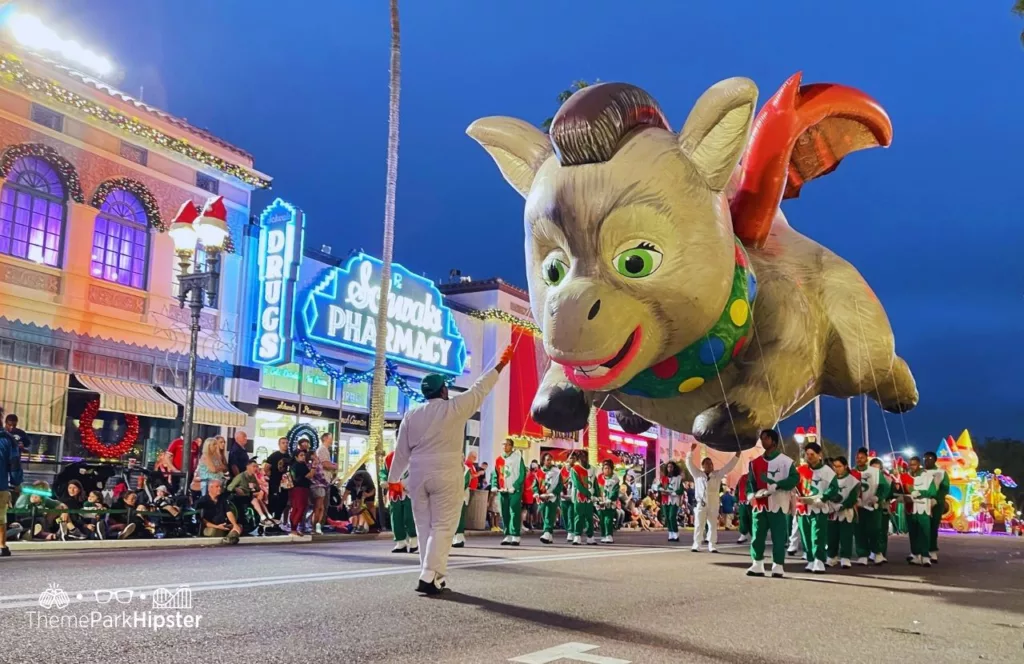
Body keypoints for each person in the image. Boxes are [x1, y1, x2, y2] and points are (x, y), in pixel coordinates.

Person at [388, 347, 511, 595]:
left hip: (418, 474)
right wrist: (500, 365)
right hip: (445, 473)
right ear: (443, 390)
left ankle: (435, 576)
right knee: (443, 527)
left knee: (424, 527)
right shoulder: (454, 407)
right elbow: (480, 388)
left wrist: (393, 480)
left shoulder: (411, 414)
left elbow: (401, 451)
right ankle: (427, 574)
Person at [745, 429, 799, 578]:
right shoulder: (754, 463)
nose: (763, 441)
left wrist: (779, 485)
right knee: (757, 535)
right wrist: (751, 494)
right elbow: (750, 482)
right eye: (761, 438)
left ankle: (778, 565)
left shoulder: (786, 462)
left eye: (766, 438)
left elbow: (794, 479)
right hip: (760, 503)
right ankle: (757, 563)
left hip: (778, 503)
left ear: (774, 441)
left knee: (779, 536)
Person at [686, 443, 739, 552]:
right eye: (707, 464)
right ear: (703, 465)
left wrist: (737, 456)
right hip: (701, 503)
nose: (709, 465)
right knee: (699, 524)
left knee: (712, 525)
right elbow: (689, 464)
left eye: (711, 464)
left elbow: (728, 467)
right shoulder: (698, 475)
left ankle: (712, 544)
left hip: (713, 504)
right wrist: (690, 452)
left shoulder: (717, 475)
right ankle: (697, 544)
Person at [797, 443, 838, 574]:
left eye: (812, 454)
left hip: (820, 507)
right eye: (807, 454)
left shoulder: (827, 471)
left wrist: (824, 498)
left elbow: (834, 488)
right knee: (806, 535)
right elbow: (796, 486)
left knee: (818, 535)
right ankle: (810, 559)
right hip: (803, 507)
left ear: (819, 455)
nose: (809, 457)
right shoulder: (801, 470)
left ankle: (819, 560)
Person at [825, 456, 860, 569]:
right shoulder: (829, 479)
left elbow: (853, 497)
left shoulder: (853, 481)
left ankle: (845, 558)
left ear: (845, 466)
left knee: (846, 536)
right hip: (831, 511)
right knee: (832, 536)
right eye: (834, 466)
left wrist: (843, 505)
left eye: (839, 466)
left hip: (846, 512)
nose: (836, 469)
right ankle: (831, 556)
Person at [852, 447, 882, 566]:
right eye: (857, 457)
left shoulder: (875, 472)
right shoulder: (851, 472)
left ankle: (877, 552)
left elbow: (884, 487)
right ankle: (862, 554)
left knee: (874, 530)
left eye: (862, 457)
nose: (859, 460)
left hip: (872, 506)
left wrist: (877, 497)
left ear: (866, 459)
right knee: (859, 531)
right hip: (857, 507)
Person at [384, 450, 417, 553]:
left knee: (410, 517)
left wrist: (405, 484)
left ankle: (414, 541)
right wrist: (384, 479)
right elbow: (384, 471)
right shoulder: (390, 456)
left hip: (410, 491)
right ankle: (400, 542)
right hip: (395, 492)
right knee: (396, 517)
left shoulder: (416, 454)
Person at [497, 438, 526, 546]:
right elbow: (496, 473)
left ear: (511, 446)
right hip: (503, 489)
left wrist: (516, 485)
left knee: (514, 511)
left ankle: (515, 535)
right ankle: (507, 534)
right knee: (504, 512)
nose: (504, 446)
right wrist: (495, 485)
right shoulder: (499, 459)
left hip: (515, 490)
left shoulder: (518, 458)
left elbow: (522, 474)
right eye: (503, 444)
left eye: (507, 444)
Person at [194, 479, 242, 544]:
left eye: (220, 487)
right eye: (217, 487)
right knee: (213, 531)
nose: (219, 488)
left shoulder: (222, 500)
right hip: (212, 527)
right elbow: (202, 520)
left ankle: (229, 538)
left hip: (224, 525)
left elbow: (229, 512)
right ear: (210, 488)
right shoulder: (202, 501)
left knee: (238, 526)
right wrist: (217, 526)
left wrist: (234, 524)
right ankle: (231, 538)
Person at [923, 451, 949, 564]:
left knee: (933, 527)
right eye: (925, 458)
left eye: (929, 458)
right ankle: (919, 551)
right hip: (922, 502)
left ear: (934, 460)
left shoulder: (941, 473)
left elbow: (945, 488)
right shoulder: (921, 472)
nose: (927, 460)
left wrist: (936, 499)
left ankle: (932, 550)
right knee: (922, 527)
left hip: (936, 504)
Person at [568, 451, 597, 546]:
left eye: (585, 457)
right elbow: (577, 484)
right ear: (578, 459)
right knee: (578, 516)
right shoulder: (574, 469)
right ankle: (577, 536)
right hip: (579, 496)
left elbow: (595, 482)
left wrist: (597, 494)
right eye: (581, 457)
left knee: (589, 517)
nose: (583, 459)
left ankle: (590, 537)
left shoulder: (592, 469)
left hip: (590, 497)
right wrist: (586, 492)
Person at [312, 432, 337, 535]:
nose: (332, 440)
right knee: (320, 506)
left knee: (322, 506)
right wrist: (335, 466)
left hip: (325, 481)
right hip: (322, 482)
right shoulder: (322, 449)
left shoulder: (325, 450)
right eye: (331, 438)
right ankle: (317, 525)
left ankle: (319, 525)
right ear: (326, 438)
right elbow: (325, 464)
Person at [536, 453, 563, 544]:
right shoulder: (539, 472)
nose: (549, 461)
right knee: (544, 514)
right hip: (543, 496)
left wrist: (553, 493)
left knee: (549, 515)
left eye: (550, 460)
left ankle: (546, 532)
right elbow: (535, 484)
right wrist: (537, 492)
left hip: (553, 497)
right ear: (543, 460)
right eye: (547, 459)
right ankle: (549, 535)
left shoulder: (556, 471)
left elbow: (560, 485)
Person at [870, 457, 892, 564]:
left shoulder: (887, 478)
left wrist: (880, 498)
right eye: (872, 468)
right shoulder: (867, 478)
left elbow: (888, 492)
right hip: (869, 507)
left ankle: (881, 553)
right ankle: (873, 551)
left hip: (883, 507)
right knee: (872, 530)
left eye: (877, 468)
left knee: (882, 531)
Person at [343, 463, 377, 533]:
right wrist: (341, 503)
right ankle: (360, 525)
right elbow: (346, 492)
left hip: (367, 491)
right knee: (357, 507)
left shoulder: (367, 480)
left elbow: (373, 490)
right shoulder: (352, 482)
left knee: (369, 506)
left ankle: (372, 524)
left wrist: (367, 495)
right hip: (358, 493)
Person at [656, 461, 684, 542]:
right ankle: (670, 534)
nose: (669, 468)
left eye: (671, 467)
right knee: (667, 517)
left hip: (674, 500)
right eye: (668, 467)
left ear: (674, 468)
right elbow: (659, 487)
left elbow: (681, 490)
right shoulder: (664, 478)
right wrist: (662, 490)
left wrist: (673, 493)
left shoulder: (678, 478)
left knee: (672, 516)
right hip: (665, 500)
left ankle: (675, 534)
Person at [289, 449, 314, 536]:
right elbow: (309, 475)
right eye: (301, 455)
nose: (303, 457)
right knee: (300, 508)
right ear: (296, 457)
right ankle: (294, 529)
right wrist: (314, 467)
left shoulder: (293, 465)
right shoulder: (300, 465)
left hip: (295, 489)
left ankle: (293, 529)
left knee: (295, 509)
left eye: (304, 455)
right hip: (301, 489)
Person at [266, 437, 292, 521]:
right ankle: (269, 521)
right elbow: (266, 467)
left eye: (286, 443)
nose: (285, 445)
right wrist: (270, 476)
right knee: (273, 502)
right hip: (275, 482)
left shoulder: (289, 456)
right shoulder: (274, 455)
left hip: (285, 483)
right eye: (283, 443)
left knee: (283, 502)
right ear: (279, 444)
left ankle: (277, 520)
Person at [596, 459, 620, 544]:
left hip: (610, 503)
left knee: (608, 519)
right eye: (605, 468)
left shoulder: (615, 479)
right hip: (600, 502)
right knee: (601, 519)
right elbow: (596, 489)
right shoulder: (599, 478)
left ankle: (609, 535)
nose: (607, 470)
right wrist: (596, 498)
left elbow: (615, 491)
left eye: (609, 468)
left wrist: (610, 498)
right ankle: (603, 535)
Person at [453, 452, 473, 548]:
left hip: (462, 497)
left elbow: (464, 484)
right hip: (451, 498)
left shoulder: (466, 470)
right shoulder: (452, 469)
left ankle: (459, 538)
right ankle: (454, 537)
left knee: (460, 517)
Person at [560, 460, 574, 542]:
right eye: (566, 465)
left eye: (569, 465)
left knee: (570, 515)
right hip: (563, 497)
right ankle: (568, 529)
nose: (567, 467)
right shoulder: (561, 474)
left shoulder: (574, 474)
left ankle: (571, 531)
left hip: (571, 497)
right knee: (564, 515)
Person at [735, 472, 751, 544]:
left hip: (753, 502)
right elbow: (737, 489)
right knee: (743, 518)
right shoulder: (742, 477)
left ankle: (755, 535)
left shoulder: (758, 477)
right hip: (742, 501)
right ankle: (743, 534)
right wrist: (736, 500)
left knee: (753, 519)